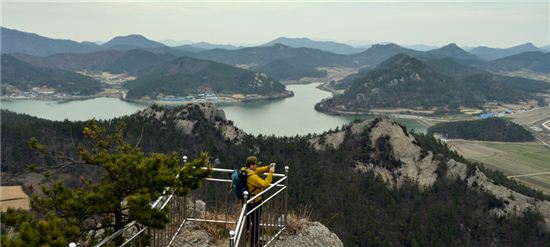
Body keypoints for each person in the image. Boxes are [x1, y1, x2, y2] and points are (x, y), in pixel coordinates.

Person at [241, 156, 275, 247]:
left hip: (248, 202)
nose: (257, 166)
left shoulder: (245, 171)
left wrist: (267, 168)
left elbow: (258, 170)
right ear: (251, 165)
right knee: (255, 224)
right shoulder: (253, 177)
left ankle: (240, 241)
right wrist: (270, 173)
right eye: (255, 164)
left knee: (246, 223)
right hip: (255, 202)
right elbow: (265, 184)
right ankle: (253, 244)